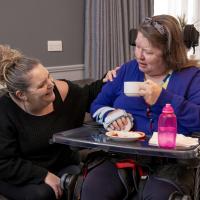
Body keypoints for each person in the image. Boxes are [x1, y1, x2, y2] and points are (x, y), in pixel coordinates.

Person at [89, 15, 200, 199]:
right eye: (138, 47)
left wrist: (163, 98)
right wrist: (110, 114)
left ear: (169, 53)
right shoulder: (127, 70)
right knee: (94, 188)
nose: (139, 55)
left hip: (172, 163)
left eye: (147, 51)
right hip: (122, 156)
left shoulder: (192, 77)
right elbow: (97, 104)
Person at [0, 45, 119, 200]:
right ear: (21, 95)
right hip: (16, 173)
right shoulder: (5, 111)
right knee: (43, 194)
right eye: (42, 84)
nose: (51, 84)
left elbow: (90, 94)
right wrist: (43, 175)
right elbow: (4, 162)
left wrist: (110, 78)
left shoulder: (63, 91)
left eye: (49, 76)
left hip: (62, 165)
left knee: (85, 185)